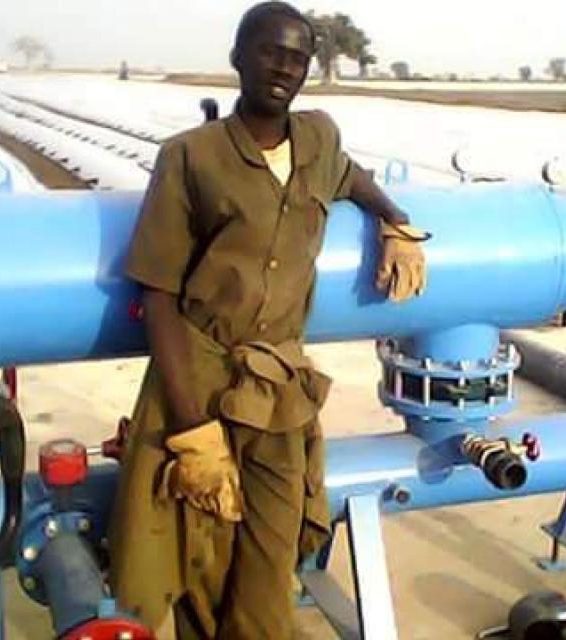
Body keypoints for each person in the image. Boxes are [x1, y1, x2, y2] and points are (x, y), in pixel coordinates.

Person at [109, 2, 429, 638]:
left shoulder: (318, 138)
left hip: (279, 389)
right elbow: (160, 294)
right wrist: (195, 433)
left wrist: (397, 222)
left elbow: (350, 177)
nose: (285, 66)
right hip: (198, 379)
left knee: (270, 559)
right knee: (199, 561)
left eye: (298, 55)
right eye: (270, 51)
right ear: (237, 57)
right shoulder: (190, 158)